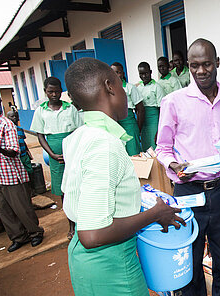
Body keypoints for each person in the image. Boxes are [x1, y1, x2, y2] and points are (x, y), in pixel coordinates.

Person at [62, 57, 185, 296]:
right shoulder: (104, 145)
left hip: (84, 261)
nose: (126, 91)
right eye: (120, 83)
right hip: (111, 265)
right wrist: (155, 214)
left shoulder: (78, 136)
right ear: (109, 86)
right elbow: (93, 234)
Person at [156, 38, 220, 296]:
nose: (201, 71)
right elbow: (163, 148)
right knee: (191, 263)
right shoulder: (173, 102)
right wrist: (174, 164)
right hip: (188, 193)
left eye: (206, 64)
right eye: (194, 65)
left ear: (217, 63)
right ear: (188, 66)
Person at [0, 92, 44, 252]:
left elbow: (14, 151)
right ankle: (19, 237)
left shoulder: (6, 125)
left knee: (22, 209)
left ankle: (35, 233)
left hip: (11, 177)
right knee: (5, 211)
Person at [30, 77, 83, 240]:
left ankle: (83, 221)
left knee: (78, 185)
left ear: (62, 91)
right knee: (63, 190)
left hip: (72, 152)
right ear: (45, 92)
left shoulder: (70, 109)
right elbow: (40, 135)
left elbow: (79, 130)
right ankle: (71, 224)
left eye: (57, 91)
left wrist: (73, 151)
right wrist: (52, 154)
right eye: (50, 91)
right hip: (55, 156)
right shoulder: (41, 111)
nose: (54, 94)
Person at [111, 62, 145, 156]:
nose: (116, 75)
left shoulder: (130, 88)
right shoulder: (109, 89)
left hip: (129, 124)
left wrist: (137, 128)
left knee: (133, 153)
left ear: (123, 73)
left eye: (118, 72)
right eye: (113, 73)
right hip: (116, 125)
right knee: (121, 155)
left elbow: (140, 109)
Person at [137, 62, 165, 151]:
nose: (144, 76)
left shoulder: (157, 87)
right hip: (143, 120)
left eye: (146, 73)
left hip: (154, 120)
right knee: (145, 145)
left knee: (155, 144)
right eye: (141, 74)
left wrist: (160, 127)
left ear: (151, 72)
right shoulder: (138, 88)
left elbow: (162, 109)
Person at [6, 111, 34, 185]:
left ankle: (31, 187)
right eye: (12, 116)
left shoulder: (20, 129)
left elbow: (23, 142)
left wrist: (28, 153)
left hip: (24, 155)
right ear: (8, 119)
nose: (14, 118)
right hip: (17, 157)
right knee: (21, 173)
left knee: (30, 171)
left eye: (15, 116)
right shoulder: (7, 131)